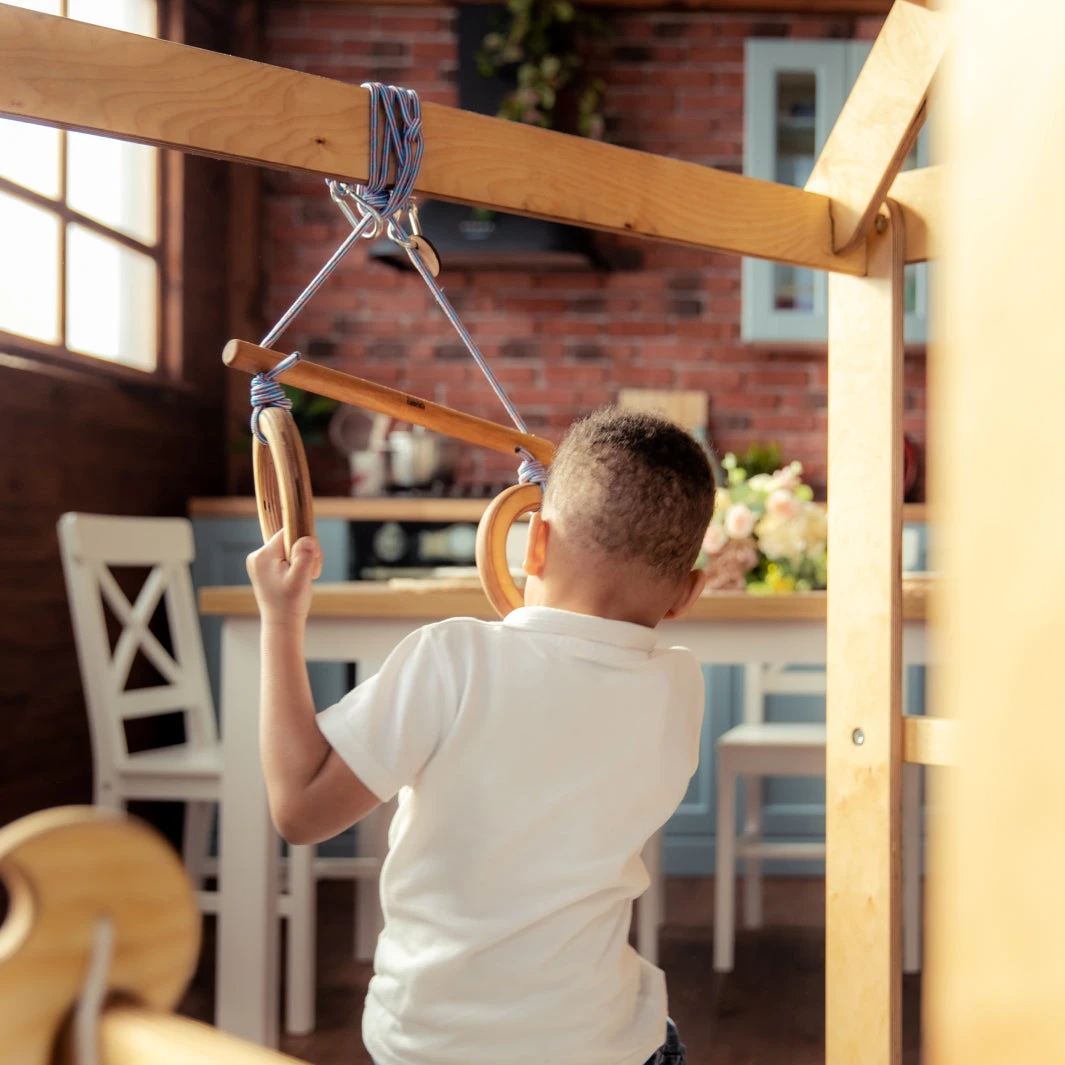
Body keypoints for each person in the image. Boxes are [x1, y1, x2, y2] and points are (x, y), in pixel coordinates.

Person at [247, 407, 717, 1065]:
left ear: (532, 544)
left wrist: (280, 617)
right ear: (686, 594)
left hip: (433, 1047)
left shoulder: (450, 658)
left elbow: (298, 809)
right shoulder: (680, 687)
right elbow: (565, 670)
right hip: (600, 1046)